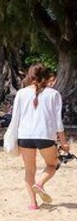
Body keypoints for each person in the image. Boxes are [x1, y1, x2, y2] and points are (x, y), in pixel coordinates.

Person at [9, 64, 70, 210]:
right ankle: (40, 184)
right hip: (45, 135)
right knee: (53, 164)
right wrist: (64, 142)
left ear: (29, 77)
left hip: (24, 135)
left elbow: (15, 117)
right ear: (48, 77)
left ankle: (33, 204)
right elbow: (58, 121)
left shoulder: (21, 93)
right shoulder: (54, 94)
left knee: (29, 170)